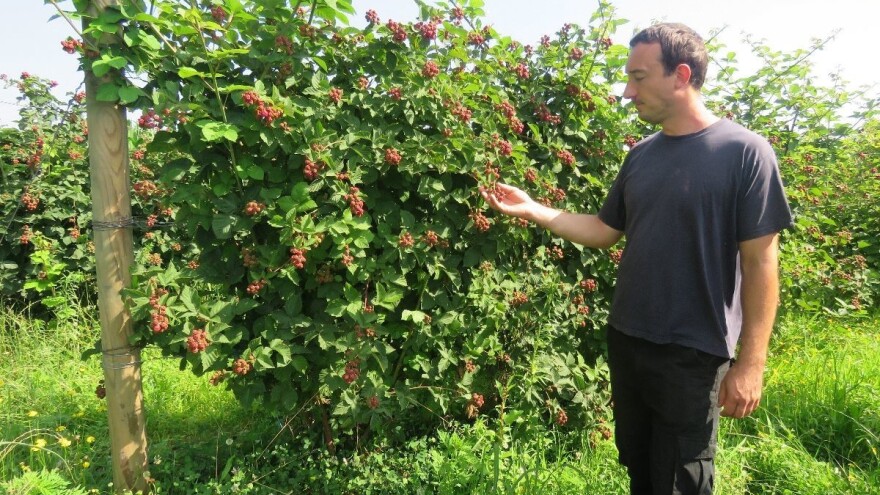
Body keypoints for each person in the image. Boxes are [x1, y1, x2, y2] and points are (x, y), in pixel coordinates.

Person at [480, 22, 793, 495]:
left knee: (681, 478)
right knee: (639, 467)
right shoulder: (641, 155)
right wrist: (533, 209)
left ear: (681, 75)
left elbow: (760, 263)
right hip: (627, 337)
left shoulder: (746, 153)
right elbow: (604, 231)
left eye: (639, 77)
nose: (627, 91)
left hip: (693, 351)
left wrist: (751, 364)